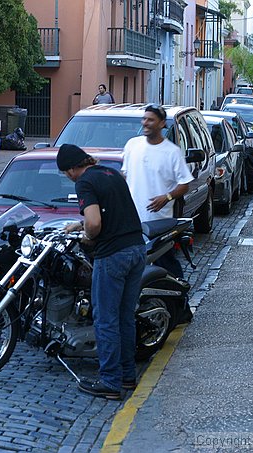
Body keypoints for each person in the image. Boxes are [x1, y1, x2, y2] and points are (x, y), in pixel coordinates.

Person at [58, 144, 146, 401]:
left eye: (67, 172)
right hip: (136, 249)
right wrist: (78, 223)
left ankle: (110, 381)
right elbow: (112, 211)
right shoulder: (110, 173)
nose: (68, 177)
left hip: (113, 255)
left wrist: (86, 234)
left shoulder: (84, 182)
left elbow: (95, 223)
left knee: (105, 319)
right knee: (124, 317)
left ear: (75, 167)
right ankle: (127, 376)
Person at [122, 104, 193, 280]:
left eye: (150, 120)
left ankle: (180, 300)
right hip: (131, 220)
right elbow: (125, 177)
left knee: (165, 265)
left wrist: (167, 197)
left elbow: (185, 184)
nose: (145, 123)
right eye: (144, 119)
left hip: (158, 223)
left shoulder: (171, 152)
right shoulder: (132, 145)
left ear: (161, 123)